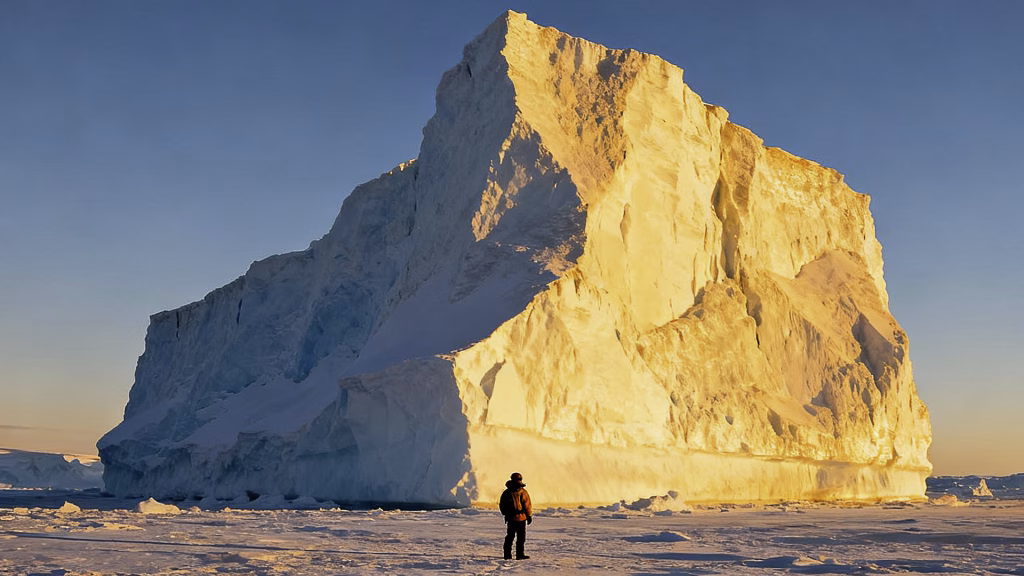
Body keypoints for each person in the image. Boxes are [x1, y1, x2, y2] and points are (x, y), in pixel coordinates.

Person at [498, 472, 533, 560]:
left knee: (518, 538)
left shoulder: (521, 492)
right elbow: (502, 505)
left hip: (519, 518)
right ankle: (509, 555)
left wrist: (528, 516)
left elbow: (527, 504)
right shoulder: (509, 492)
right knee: (512, 537)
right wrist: (528, 515)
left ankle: (517, 554)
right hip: (514, 518)